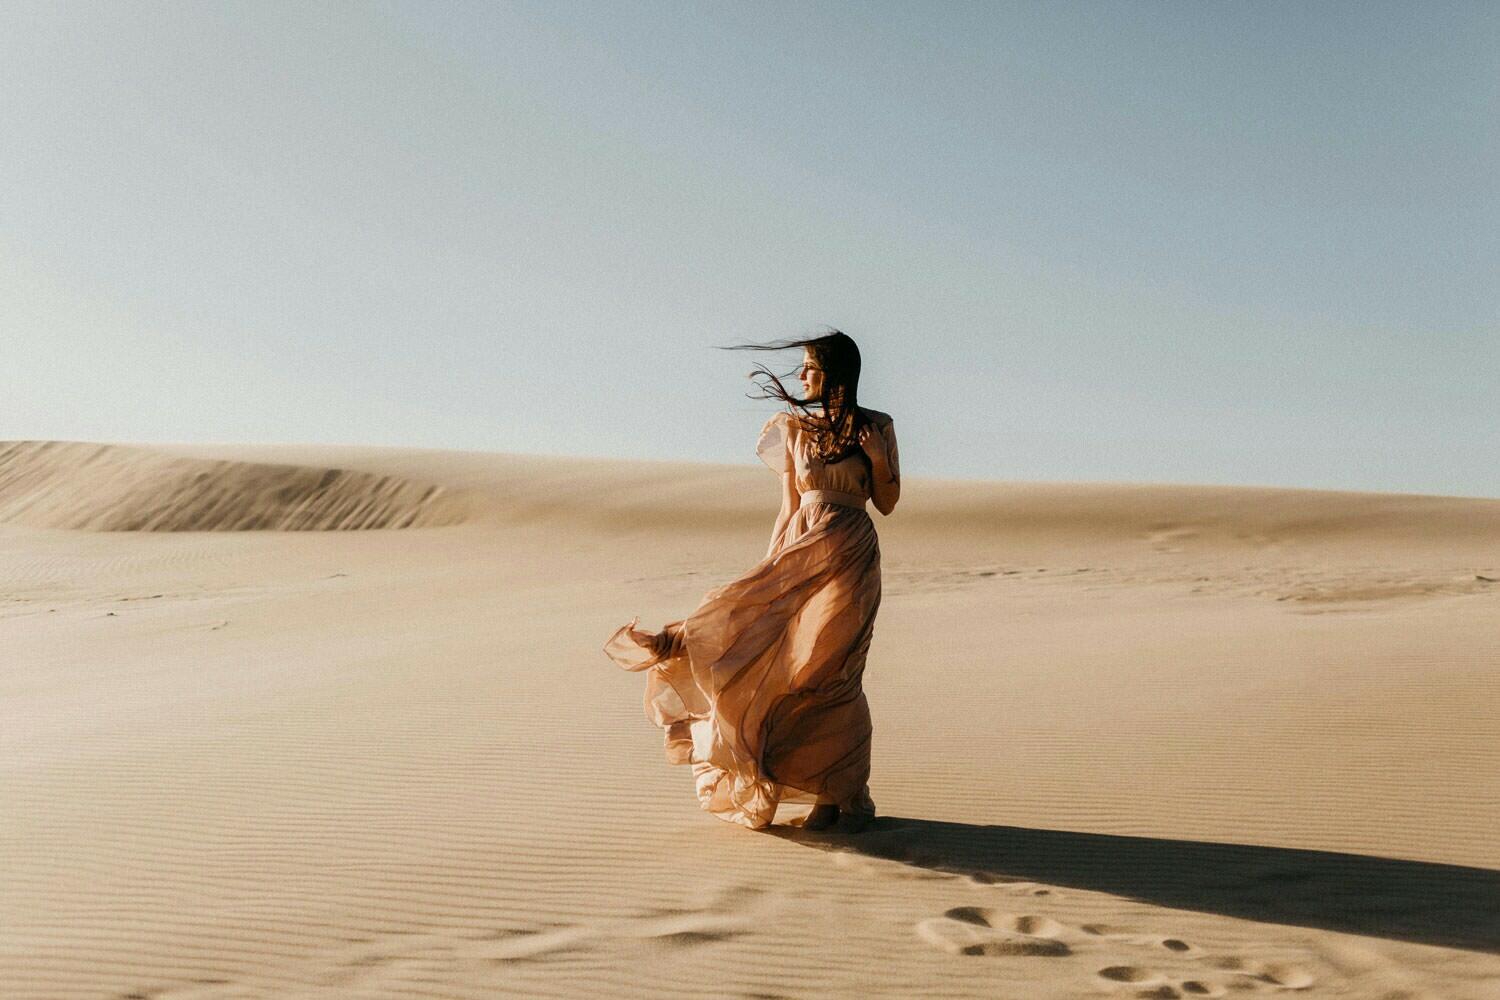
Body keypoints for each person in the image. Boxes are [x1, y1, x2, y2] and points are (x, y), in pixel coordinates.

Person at [602, 329, 900, 834]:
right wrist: (768, 572)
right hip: (799, 553)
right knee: (787, 664)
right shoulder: (796, 428)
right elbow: (788, 505)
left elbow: (888, 502)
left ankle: (837, 796)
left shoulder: (878, 425)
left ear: (835, 372)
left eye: (809, 366)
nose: (801, 376)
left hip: (851, 556)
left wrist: (874, 459)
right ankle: (811, 782)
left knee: (835, 671)